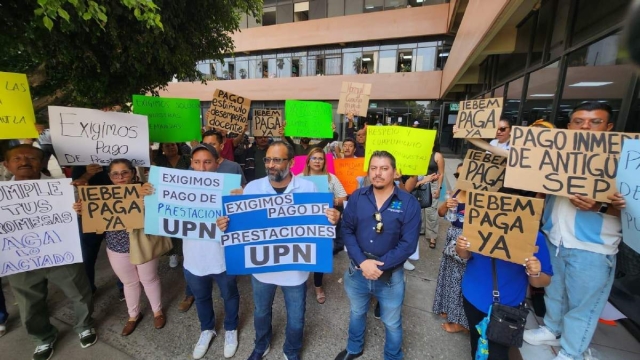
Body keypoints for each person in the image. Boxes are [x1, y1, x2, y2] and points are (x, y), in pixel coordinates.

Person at [216, 141, 340, 360]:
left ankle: (291, 350)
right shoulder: (253, 188)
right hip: (262, 268)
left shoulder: (308, 188)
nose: (271, 165)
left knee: (296, 316)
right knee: (261, 311)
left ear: (291, 162)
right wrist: (226, 224)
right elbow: (241, 224)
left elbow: (318, 225)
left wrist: (332, 219)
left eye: (277, 160)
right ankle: (261, 344)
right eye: (268, 160)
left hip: (295, 269)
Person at [523, 102, 623, 360]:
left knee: (583, 306)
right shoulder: (558, 157)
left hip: (592, 248)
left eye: (595, 121)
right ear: (569, 127)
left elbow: (632, 211)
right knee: (554, 292)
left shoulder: (623, 163)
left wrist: (600, 205)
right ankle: (552, 329)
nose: (586, 127)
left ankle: (572, 352)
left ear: (609, 127)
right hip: (554, 239)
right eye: (579, 121)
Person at [4, 144, 97, 360]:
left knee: (79, 293)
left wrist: (81, 210)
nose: (24, 162)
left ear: (42, 163)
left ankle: (85, 326)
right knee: (29, 303)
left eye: (31, 158)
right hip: (20, 260)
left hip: (61, 254)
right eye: (17, 158)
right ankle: (43, 338)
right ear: (6, 165)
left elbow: (89, 216)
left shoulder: (64, 189)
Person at [335, 150, 421, 360]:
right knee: (356, 312)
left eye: (384, 168)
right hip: (357, 271)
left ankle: (392, 356)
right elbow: (346, 230)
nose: (378, 173)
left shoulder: (409, 203)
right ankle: (354, 348)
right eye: (373, 168)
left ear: (394, 172)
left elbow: (408, 245)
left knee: (392, 322)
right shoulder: (357, 197)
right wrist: (363, 262)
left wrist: (378, 266)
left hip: (391, 277)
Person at [73, 159, 165, 337]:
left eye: (125, 172)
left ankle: (157, 312)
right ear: (110, 176)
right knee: (129, 283)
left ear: (133, 173)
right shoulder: (101, 194)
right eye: (115, 174)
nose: (120, 177)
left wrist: (150, 195)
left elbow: (161, 211)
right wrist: (81, 210)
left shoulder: (146, 189)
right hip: (116, 247)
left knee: (149, 279)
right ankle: (133, 316)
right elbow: (94, 219)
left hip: (143, 244)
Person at [179, 144, 241, 359]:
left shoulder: (231, 189)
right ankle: (207, 329)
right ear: (191, 164)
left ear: (217, 163)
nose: (202, 167)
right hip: (193, 258)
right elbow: (158, 209)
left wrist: (242, 198)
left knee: (229, 295)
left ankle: (231, 329)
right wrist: (148, 193)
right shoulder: (179, 189)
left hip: (223, 257)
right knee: (201, 297)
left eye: (207, 162)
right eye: (197, 162)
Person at [457, 230, 552, 360]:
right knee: (476, 343)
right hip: (472, 299)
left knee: (497, 353)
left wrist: (535, 272)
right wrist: (461, 247)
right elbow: (464, 255)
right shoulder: (479, 222)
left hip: (507, 309)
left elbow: (543, 281)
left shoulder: (533, 235)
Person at [302, 147, 348, 304]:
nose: (317, 161)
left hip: (323, 224)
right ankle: (299, 283)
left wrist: (332, 201)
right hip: (303, 224)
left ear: (324, 161)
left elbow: (343, 196)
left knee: (320, 254)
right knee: (302, 253)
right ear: (308, 161)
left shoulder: (331, 179)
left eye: (320, 158)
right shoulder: (298, 178)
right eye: (314, 158)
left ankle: (318, 285)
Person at [432, 164, 469, 334]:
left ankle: (459, 321)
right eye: (456, 174)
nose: (459, 178)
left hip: (466, 241)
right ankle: (448, 307)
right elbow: (440, 213)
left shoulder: (481, 197)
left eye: (463, 175)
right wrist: (446, 204)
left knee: (460, 280)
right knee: (449, 275)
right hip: (452, 237)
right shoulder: (455, 192)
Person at [154, 142, 191, 269]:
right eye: (167, 146)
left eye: (173, 145)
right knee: (171, 227)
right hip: (167, 200)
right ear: (162, 149)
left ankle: (186, 253)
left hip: (186, 199)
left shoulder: (186, 158)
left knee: (185, 226)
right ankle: (173, 253)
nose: (171, 147)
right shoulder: (159, 161)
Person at [422, 144, 445, 249]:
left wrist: (438, 189)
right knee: (419, 209)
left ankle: (432, 236)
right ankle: (422, 229)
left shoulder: (437, 156)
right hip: (419, 182)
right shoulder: (418, 152)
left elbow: (441, 173)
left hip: (432, 184)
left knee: (431, 210)